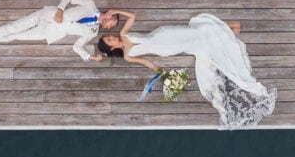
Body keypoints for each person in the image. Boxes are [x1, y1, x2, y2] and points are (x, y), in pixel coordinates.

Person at [98, 12, 278, 128]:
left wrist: (115, 11)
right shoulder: (128, 56)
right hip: (164, 49)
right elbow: (146, 61)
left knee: (196, 33)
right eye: (110, 41)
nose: (112, 37)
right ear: (112, 49)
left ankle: (227, 31)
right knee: (197, 41)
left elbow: (132, 16)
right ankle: (227, 32)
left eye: (109, 36)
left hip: (163, 34)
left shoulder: (123, 34)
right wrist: (158, 71)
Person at [0, 0, 120, 61]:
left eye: (110, 27)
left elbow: (77, 47)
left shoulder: (93, 32)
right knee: (13, 27)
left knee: (15, 36)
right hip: (49, 15)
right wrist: (60, 9)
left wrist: (90, 57)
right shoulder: (90, 4)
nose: (107, 27)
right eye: (110, 23)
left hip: (49, 32)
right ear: (109, 15)